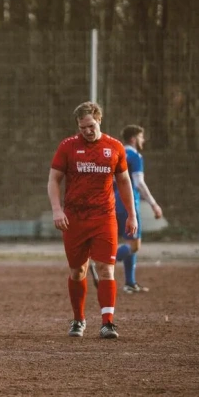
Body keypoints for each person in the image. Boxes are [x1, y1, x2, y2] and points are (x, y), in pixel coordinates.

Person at [47, 101, 138, 339]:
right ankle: (78, 320)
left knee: (106, 269)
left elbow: (125, 182)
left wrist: (131, 214)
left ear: (99, 120)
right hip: (74, 219)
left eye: (90, 125)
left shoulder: (115, 147)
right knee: (78, 271)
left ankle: (108, 322)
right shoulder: (67, 147)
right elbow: (54, 180)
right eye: (82, 127)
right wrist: (57, 210)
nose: (87, 130)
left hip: (104, 217)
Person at [113, 125, 163, 293]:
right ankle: (104, 263)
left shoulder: (115, 153)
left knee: (129, 242)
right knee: (134, 245)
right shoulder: (135, 156)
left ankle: (130, 282)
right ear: (133, 139)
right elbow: (139, 183)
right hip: (129, 203)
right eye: (141, 137)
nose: (143, 140)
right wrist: (154, 204)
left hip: (112, 202)